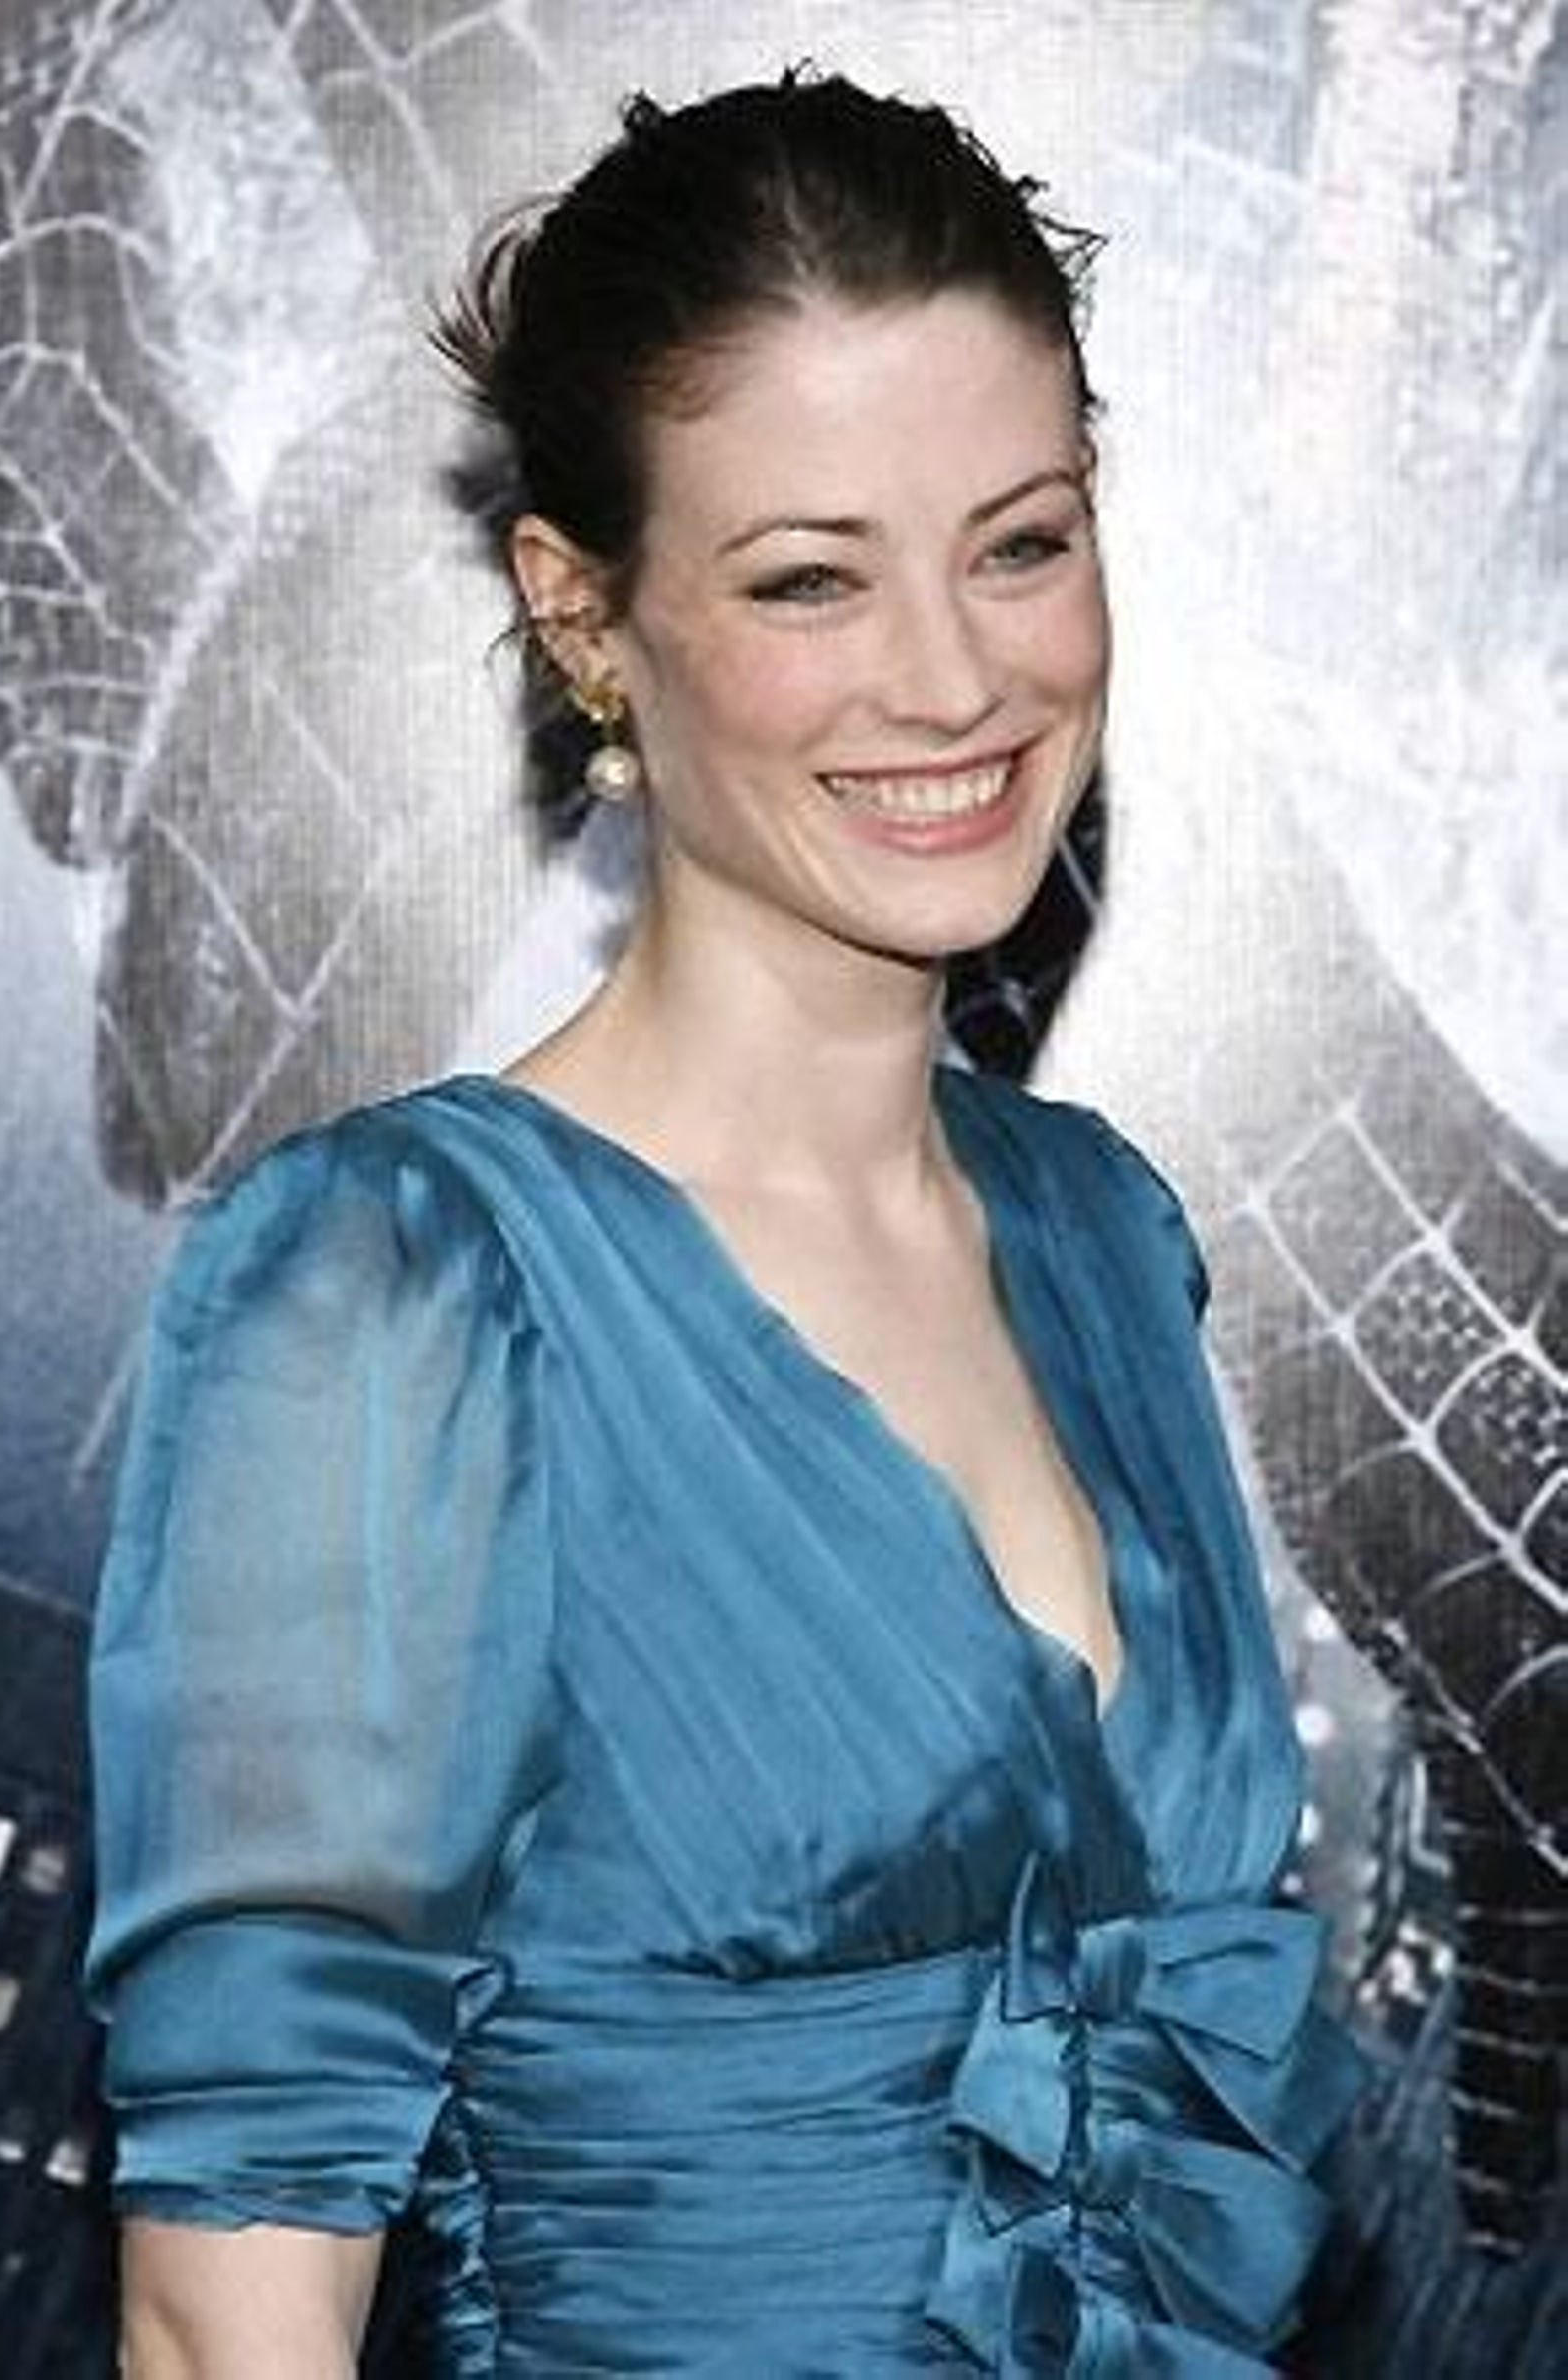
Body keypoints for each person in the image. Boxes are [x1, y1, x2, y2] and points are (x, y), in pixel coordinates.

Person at [86, 71, 1362, 2376]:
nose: (955, 679)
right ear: (585, 618)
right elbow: (222, 2316)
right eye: (806, 578)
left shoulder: (1103, 1235)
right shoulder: (397, 1281)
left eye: (1018, 542)